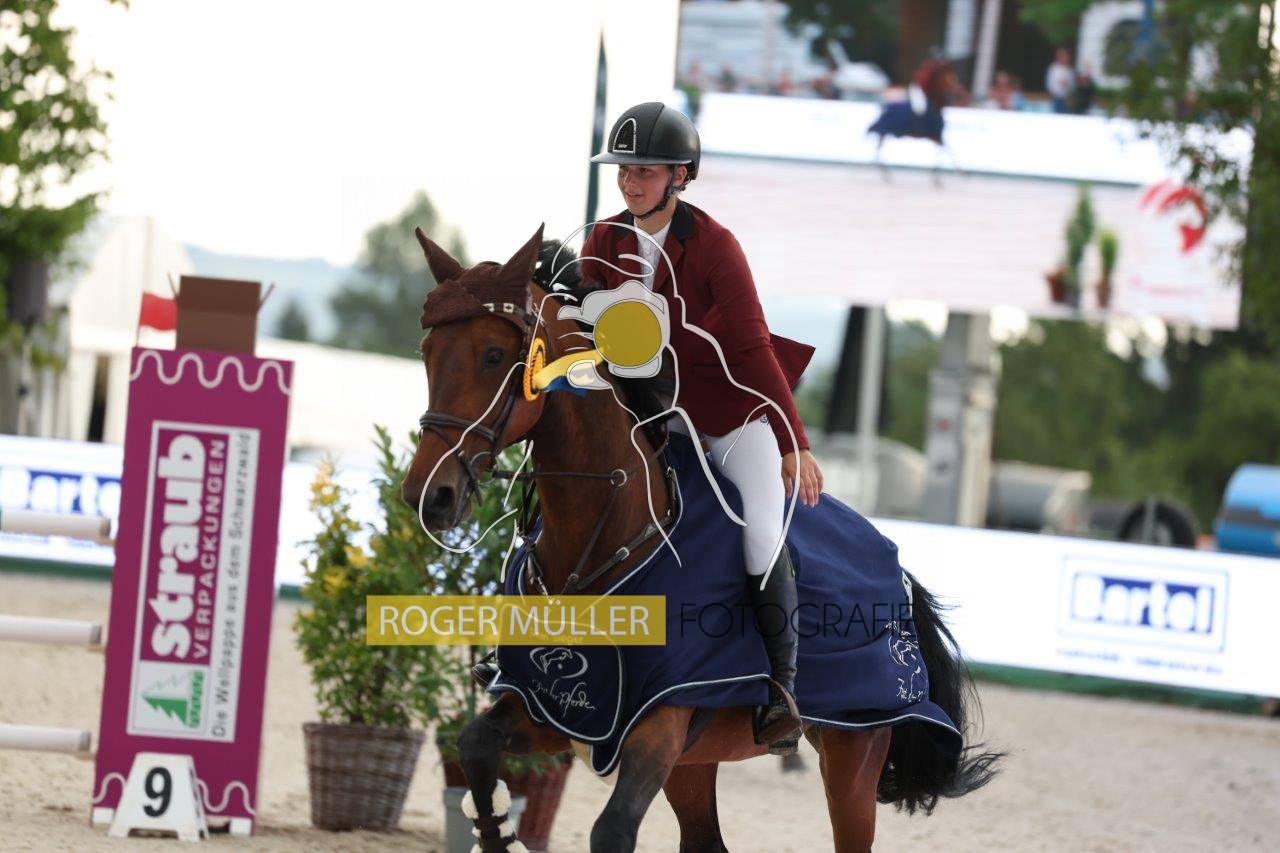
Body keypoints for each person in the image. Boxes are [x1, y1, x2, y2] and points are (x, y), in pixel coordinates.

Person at [580, 102, 823, 755]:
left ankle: (781, 691)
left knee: (760, 527)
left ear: (680, 175)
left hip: (727, 415)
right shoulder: (602, 240)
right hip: (650, 415)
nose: (630, 182)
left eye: (645, 171)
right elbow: (587, 330)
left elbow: (751, 347)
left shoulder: (716, 245)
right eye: (623, 169)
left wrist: (793, 441)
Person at [1046, 46, 1076, 114]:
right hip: (1055, 98)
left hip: (1067, 99)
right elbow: (1049, 83)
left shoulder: (1070, 70)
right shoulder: (1053, 68)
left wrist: (1067, 84)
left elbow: (1073, 86)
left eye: (1065, 56)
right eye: (1061, 56)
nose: (1064, 58)